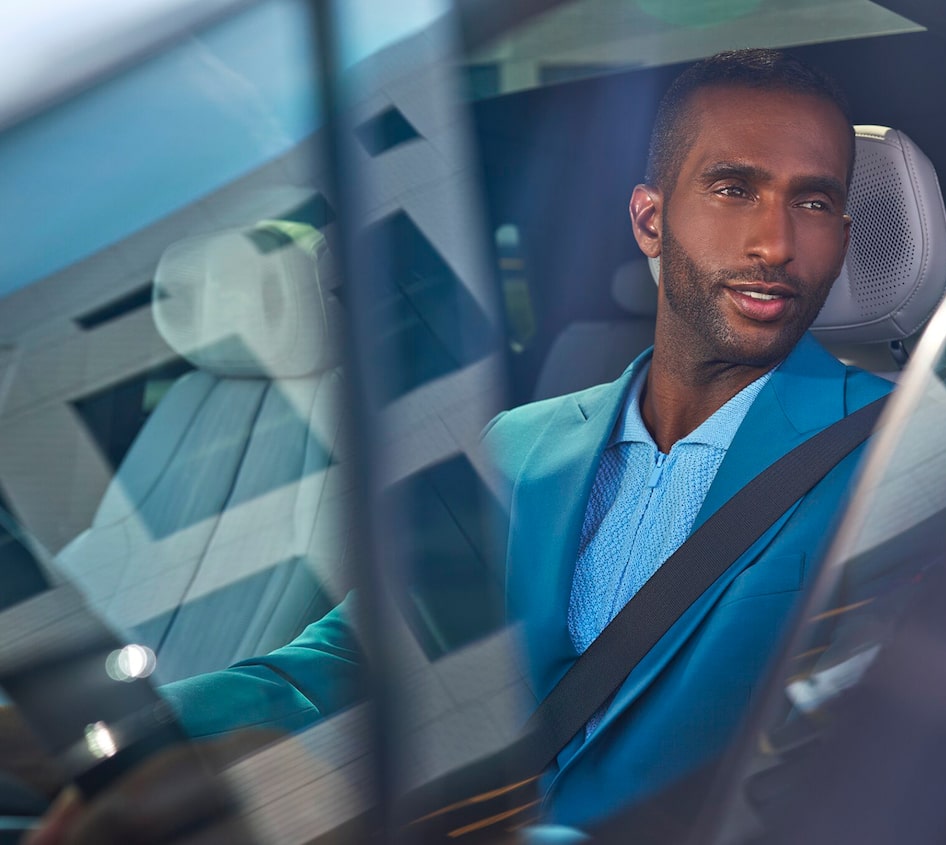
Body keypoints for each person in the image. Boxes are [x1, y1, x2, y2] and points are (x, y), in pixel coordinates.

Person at [22, 48, 892, 840]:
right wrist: (104, 742)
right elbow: (345, 665)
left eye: (812, 201)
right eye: (734, 188)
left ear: (845, 237)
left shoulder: (898, 448)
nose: (776, 242)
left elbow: (865, 754)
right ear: (651, 220)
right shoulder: (518, 447)